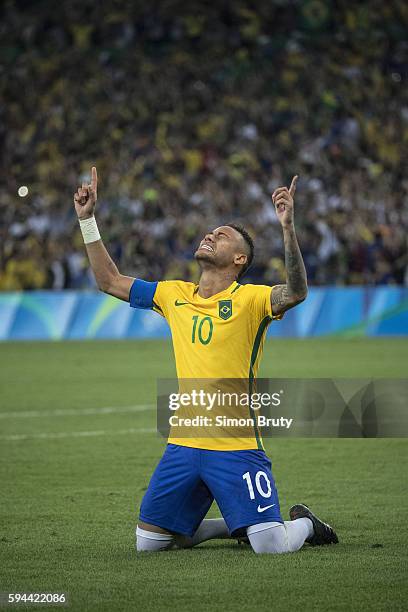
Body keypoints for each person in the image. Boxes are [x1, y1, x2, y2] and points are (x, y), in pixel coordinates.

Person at [74, 167, 338, 553]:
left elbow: (296, 291)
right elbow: (109, 281)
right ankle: (234, 526)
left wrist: (287, 228)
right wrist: (87, 221)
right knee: (150, 544)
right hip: (183, 441)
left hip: (235, 444)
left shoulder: (252, 300)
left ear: (239, 259)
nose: (211, 234)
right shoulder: (173, 294)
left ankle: (304, 525)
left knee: (272, 546)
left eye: (223, 235)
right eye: (211, 231)